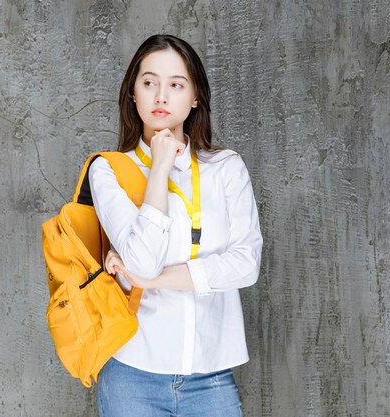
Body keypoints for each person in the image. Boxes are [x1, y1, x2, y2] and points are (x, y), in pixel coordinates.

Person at [88, 34, 263, 417]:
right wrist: (160, 168)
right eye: (149, 83)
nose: (161, 96)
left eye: (176, 84)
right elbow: (143, 261)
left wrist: (152, 282)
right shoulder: (109, 171)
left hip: (210, 376)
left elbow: (246, 264)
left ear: (195, 96)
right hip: (131, 375)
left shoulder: (226, 168)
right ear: (133, 93)